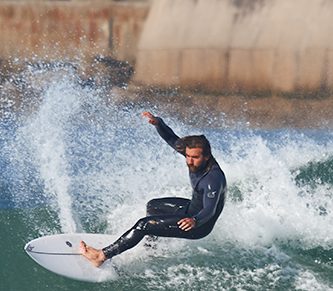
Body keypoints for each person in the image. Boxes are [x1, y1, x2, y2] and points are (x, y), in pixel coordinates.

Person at [79, 111, 227, 267]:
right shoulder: (194, 156)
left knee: (143, 224)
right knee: (153, 206)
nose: (189, 161)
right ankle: (151, 249)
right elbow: (172, 139)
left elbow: (210, 208)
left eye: (194, 158)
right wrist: (159, 123)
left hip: (197, 225)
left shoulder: (213, 179)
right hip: (190, 209)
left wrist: (195, 221)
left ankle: (100, 256)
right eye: (187, 156)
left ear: (207, 157)